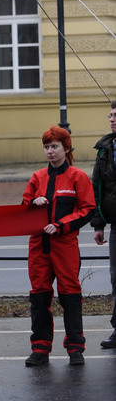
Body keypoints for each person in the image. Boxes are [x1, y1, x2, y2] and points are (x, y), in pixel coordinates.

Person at [22, 124, 96, 367]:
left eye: (54, 146)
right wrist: (33, 203)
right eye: (46, 147)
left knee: (70, 296)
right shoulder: (37, 178)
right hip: (38, 246)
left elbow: (87, 210)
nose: (50, 151)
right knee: (39, 297)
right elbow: (22, 207)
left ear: (66, 147)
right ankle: (40, 349)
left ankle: (76, 348)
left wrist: (61, 225)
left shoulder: (78, 176)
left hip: (65, 245)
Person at [91, 100, 116, 348]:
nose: (112, 119)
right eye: (110, 115)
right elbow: (96, 188)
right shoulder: (105, 149)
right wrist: (98, 225)